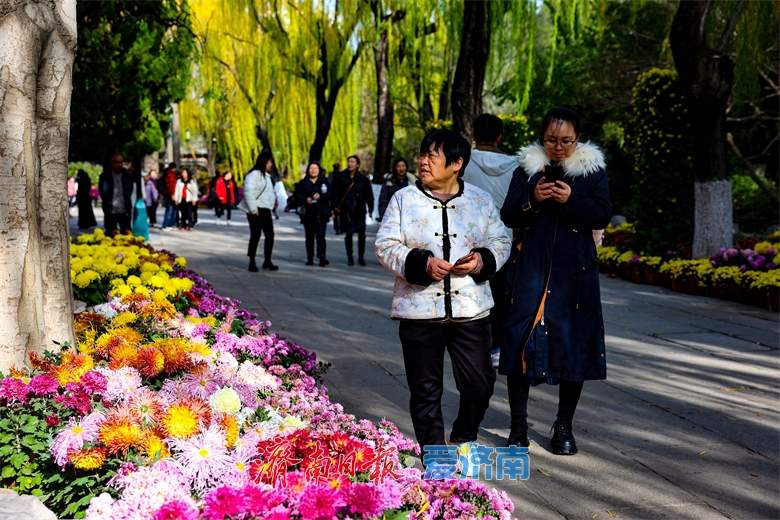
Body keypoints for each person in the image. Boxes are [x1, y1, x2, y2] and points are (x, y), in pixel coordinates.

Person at [375, 129, 511, 454]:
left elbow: (501, 240)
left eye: (431, 156)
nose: (423, 162)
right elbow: (385, 245)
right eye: (422, 155)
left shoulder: (480, 200)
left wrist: (481, 260)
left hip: (471, 310)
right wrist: (421, 263)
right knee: (425, 391)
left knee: (480, 383)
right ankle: (436, 460)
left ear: (457, 163)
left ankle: (464, 433)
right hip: (419, 311)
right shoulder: (404, 199)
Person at [500, 107, 611, 454]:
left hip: (575, 273)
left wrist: (571, 200)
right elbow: (508, 213)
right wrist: (533, 200)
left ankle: (564, 425)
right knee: (520, 341)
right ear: (541, 138)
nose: (558, 147)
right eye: (551, 140)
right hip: (531, 269)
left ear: (578, 139)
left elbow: (602, 213)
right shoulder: (527, 168)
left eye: (566, 141)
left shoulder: (592, 170)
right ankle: (518, 425)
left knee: (574, 346)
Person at [462, 113, 523, 369]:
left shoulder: (463, 162)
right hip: (505, 239)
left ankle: (473, 345)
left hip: (470, 239)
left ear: (474, 134)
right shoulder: (517, 165)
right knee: (501, 294)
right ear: (500, 137)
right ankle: (497, 346)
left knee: (472, 292)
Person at [331, 155, 374, 266]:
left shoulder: (363, 179)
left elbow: (369, 195)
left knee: (361, 234)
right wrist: (335, 206)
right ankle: (350, 256)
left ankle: (361, 257)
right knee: (348, 234)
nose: (350, 164)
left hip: (359, 210)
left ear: (358, 164)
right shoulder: (340, 177)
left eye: (353, 162)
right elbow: (335, 193)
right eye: (349, 161)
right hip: (346, 210)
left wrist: (370, 208)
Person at [239, 153, 278, 271]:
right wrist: (253, 209)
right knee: (255, 234)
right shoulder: (253, 175)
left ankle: (267, 260)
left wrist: (273, 204)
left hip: (266, 209)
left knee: (270, 235)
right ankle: (252, 261)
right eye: (269, 162)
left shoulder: (267, 176)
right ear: (264, 162)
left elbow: (269, 192)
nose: (271, 164)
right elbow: (248, 192)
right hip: (255, 209)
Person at [294, 162, 331, 267]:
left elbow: (330, 195)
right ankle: (310, 258)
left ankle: (322, 257)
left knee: (321, 237)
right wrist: (306, 199)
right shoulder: (303, 183)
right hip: (308, 214)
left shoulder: (324, 182)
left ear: (319, 170)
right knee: (309, 237)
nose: (313, 170)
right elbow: (297, 196)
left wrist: (321, 196)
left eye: (315, 168)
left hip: (321, 214)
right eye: (311, 168)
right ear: (308, 170)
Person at [98, 152, 134, 235]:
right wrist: (107, 202)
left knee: (126, 235)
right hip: (110, 210)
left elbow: (130, 189)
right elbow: (102, 191)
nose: (119, 165)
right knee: (110, 235)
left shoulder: (127, 176)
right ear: (112, 163)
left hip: (124, 210)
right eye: (117, 162)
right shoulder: (105, 176)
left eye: (121, 162)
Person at [160, 163, 179, 229]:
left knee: (172, 209)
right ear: (173, 168)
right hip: (170, 194)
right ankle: (166, 225)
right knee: (170, 209)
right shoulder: (170, 174)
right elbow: (171, 185)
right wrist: (172, 194)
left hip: (168, 194)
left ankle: (170, 224)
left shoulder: (167, 173)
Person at [329, 162, 342, 234]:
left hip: (333, 196)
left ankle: (337, 228)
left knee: (335, 213)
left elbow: (329, 184)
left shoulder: (331, 174)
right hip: (341, 196)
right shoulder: (342, 174)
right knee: (340, 213)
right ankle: (340, 227)